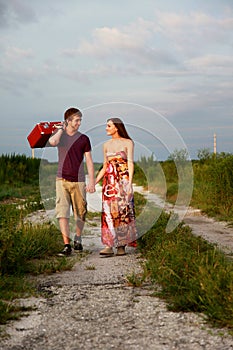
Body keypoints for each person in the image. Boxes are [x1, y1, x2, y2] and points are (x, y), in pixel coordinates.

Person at [49, 107, 95, 256]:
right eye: (76, 120)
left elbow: (89, 160)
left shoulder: (84, 139)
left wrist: (92, 181)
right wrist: (61, 129)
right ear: (68, 120)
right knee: (62, 212)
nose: (79, 123)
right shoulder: (59, 135)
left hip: (79, 180)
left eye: (80, 120)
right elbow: (52, 142)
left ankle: (78, 237)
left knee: (80, 212)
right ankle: (67, 245)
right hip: (61, 179)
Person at [95, 117, 137, 256]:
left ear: (116, 127)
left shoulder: (128, 142)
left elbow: (130, 163)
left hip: (123, 180)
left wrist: (129, 183)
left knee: (123, 212)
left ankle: (121, 246)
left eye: (108, 126)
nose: (106, 128)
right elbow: (105, 167)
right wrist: (94, 182)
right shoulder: (106, 145)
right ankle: (109, 245)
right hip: (109, 183)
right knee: (108, 212)